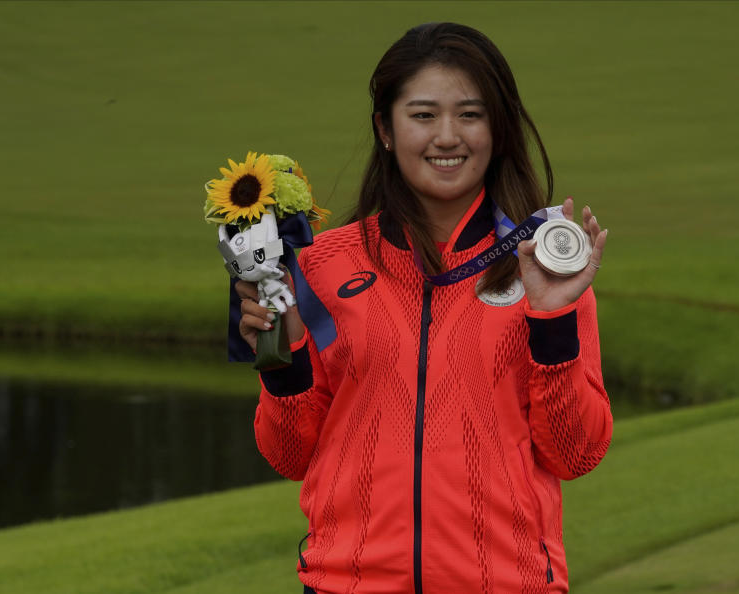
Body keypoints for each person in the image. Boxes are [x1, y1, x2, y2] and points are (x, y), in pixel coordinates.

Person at [236, 22, 612, 594]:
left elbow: (576, 452)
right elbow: (290, 454)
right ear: (385, 129)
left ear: (499, 128)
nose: (446, 136)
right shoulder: (321, 265)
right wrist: (281, 356)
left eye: (469, 114)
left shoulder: (542, 260)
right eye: (422, 115)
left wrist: (553, 320)